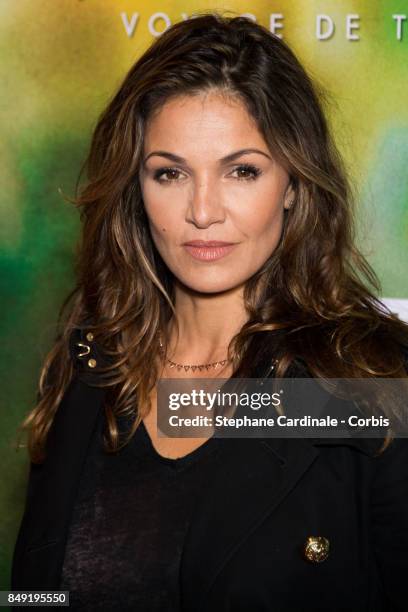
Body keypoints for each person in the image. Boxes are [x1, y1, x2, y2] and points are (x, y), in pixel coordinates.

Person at [11, 11, 408, 612]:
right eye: (169, 173)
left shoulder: (369, 383)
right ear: (135, 189)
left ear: (294, 185)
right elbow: (32, 594)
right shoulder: (91, 364)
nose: (202, 211)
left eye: (241, 171)